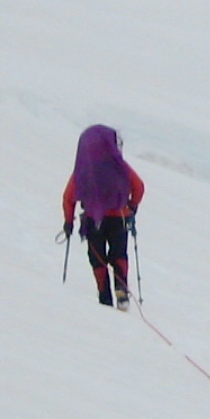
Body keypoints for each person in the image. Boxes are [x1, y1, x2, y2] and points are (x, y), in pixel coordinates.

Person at [63, 124, 144, 309]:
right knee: (119, 255)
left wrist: (68, 222)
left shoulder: (84, 171)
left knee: (97, 258)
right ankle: (122, 292)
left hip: (93, 220)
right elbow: (139, 186)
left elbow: (68, 198)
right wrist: (132, 206)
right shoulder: (120, 167)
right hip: (119, 218)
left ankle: (104, 297)